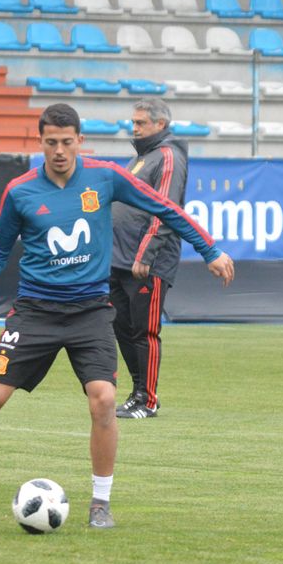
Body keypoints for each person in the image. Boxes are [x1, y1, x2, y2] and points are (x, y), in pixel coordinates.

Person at [0, 103, 234, 529]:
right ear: (41, 142)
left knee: (105, 399)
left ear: (79, 141)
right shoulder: (20, 191)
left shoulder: (104, 177)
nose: (59, 150)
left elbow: (165, 208)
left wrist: (210, 250)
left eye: (66, 142)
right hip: (34, 312)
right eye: (51, 142)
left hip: (90, 311)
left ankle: (100, 501)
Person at [110, 98, 187, 419]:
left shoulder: (168, 157)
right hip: (120, 260)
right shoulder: (143, 158)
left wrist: (146, 253)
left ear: (161, 125)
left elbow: (166, 209)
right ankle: (137, 391)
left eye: (141, 123)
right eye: (134, 122)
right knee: (121, 326)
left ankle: (148, 399)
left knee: (144, 330)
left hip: (147, 263)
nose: (135, 128)